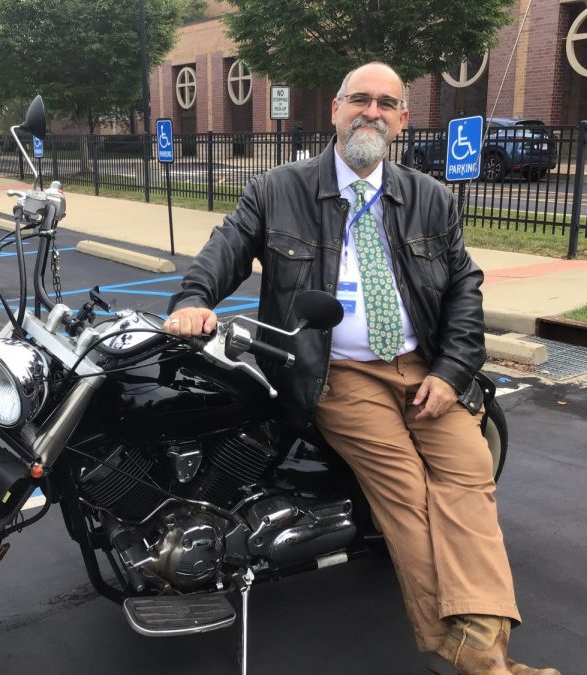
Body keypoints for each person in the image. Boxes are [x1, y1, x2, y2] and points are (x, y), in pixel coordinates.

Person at [164, 62, 559, 675]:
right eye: (359, 100)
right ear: (336, 109)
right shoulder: (278, 188)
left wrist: (451, 372)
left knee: (470, 482)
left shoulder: (431, 198)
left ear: (402, 120)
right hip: (338, 372)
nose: (371, 112)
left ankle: (480, 650)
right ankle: (479, 664)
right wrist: (192, 302)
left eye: (386, 103)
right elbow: (227, 248)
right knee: (407, 492)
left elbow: (464, 290)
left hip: (423, 369)